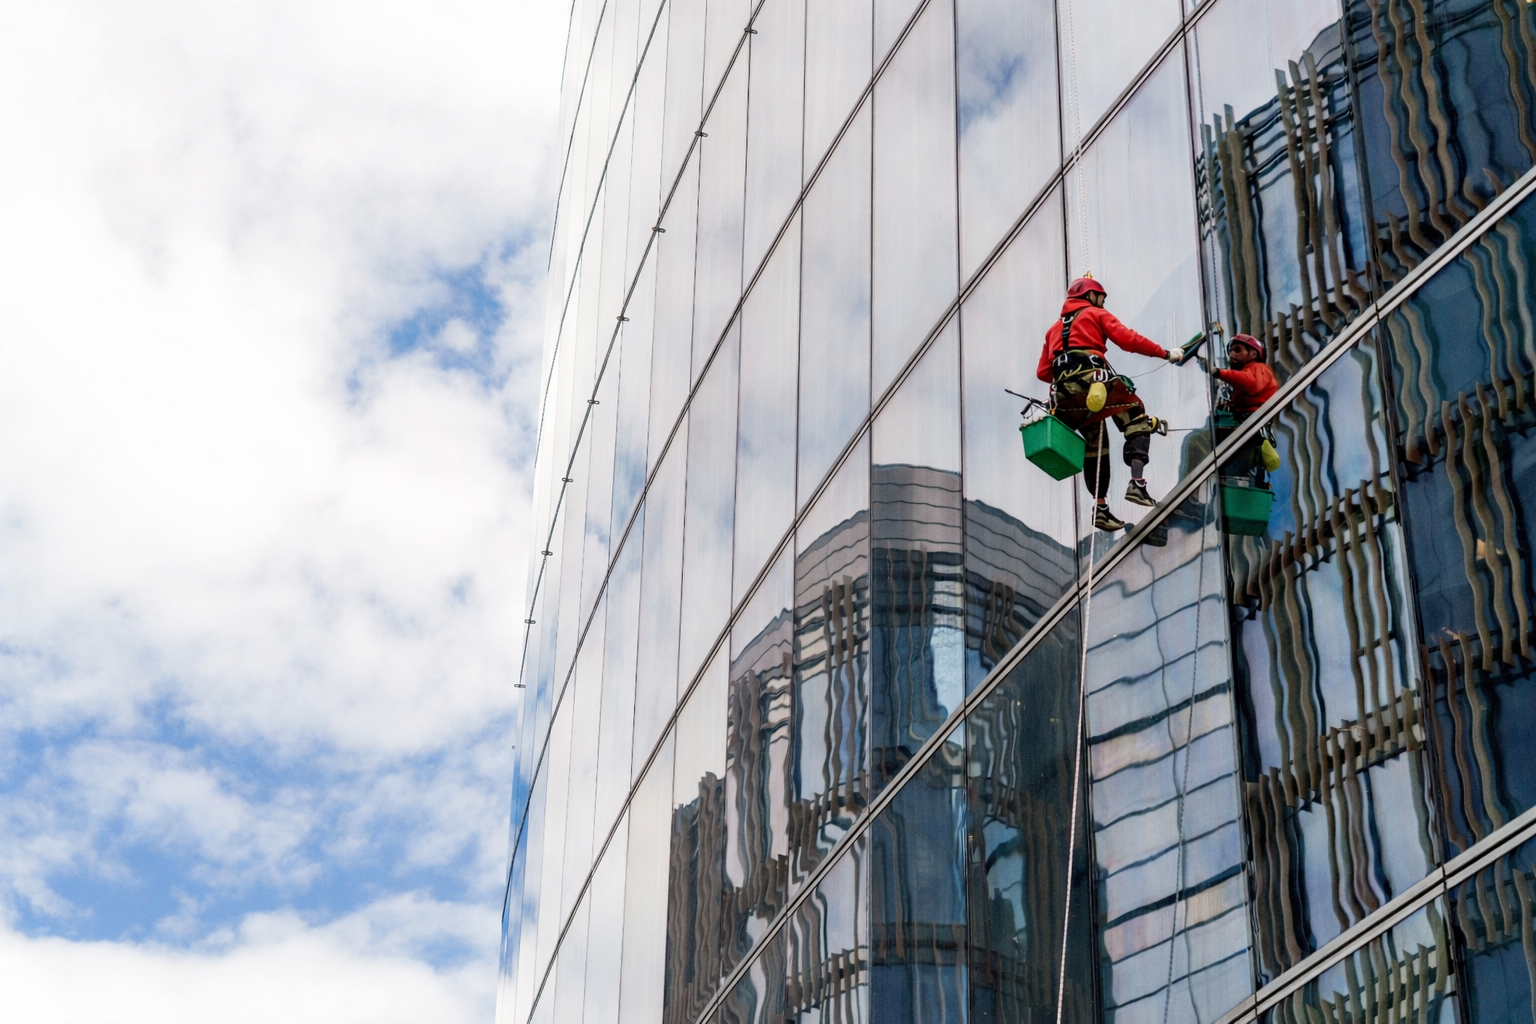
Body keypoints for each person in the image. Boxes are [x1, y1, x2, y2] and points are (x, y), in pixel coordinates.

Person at [1037, 275, 1183, 531]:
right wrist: (1165, 353)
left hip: (1064, 397)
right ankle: (1137, 483)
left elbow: (1043, 373)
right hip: (1093, 383)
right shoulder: (1095, 314)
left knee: (1096, 440)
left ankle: (1100, 507)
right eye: (1100, 298)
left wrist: (1068, 365)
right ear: (1090, 297)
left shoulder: (1053, 329)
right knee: (1135, 414)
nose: (1102, 304)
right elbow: (1128, 339)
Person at [1211, 333, 1279, 484]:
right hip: (1245, 429)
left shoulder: (1259, 368)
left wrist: (1218, 373)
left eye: (1237, 350)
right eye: (1230, 351)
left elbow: (1250, 383)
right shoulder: (1245, 373)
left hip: (1251, 432)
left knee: (1229, 471)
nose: (1231, 354)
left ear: (1253, 353)